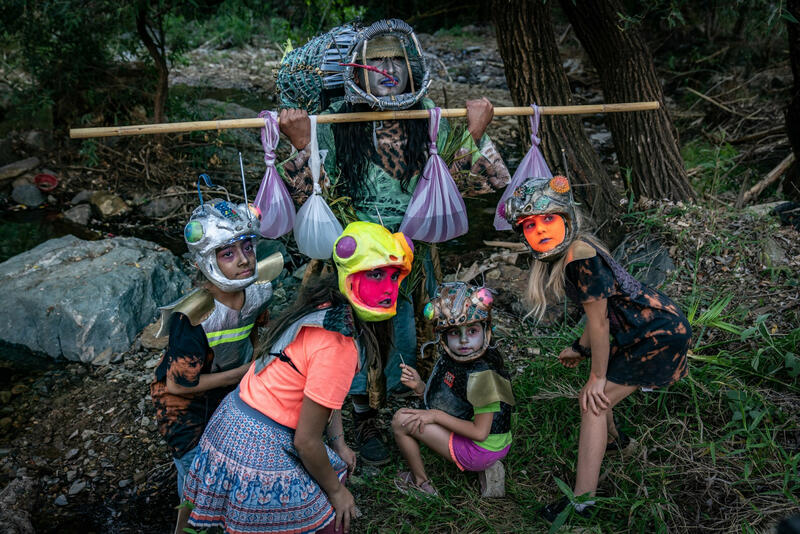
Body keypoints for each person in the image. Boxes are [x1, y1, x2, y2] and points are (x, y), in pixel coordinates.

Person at [278, 18, 511, 465]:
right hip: (354, 256)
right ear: (359, 71)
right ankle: (362, 416)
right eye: (376, 62)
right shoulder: (336, 123)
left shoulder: (428, 120)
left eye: (395, 61)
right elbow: (310, 194)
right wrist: (303, 144)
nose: (386, 70)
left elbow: (461, 183)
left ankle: (412, 409)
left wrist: (473, 134)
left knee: (405, 332)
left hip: (412, 255)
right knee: (354, 335)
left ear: (411, 67)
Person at [178, 221, 414, 534]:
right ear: (348, 274)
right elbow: (305, 441)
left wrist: (339, 443)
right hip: (259, 443)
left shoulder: (322, 305)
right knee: (331, 520)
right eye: (374, 273)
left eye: (394, 275)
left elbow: (324, 397)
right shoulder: (339, 344)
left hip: (230, 423)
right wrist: (337, 492)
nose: (388, 287)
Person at [503, 175, 691, 520]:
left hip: (656, 335)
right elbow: (597, 319)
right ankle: (618, 445)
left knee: (592, 403)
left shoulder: (581, 260)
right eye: (530, 225)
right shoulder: (579, 251)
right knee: (598, 399)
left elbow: (602, 322)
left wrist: (596, 376)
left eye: (548, 219)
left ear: (566, 218)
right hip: (643, 331)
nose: (541, 230)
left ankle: (581, 502)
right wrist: (579, 347)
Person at [150, 198, 282, 530]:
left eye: (248, 248)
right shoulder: (196, 315)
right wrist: (244, 373)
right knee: (196, 472)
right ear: (207, 260)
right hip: (182, 406)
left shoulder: (257, 291)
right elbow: (177, 384)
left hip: (228, 391)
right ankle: (186, 528)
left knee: (233, 458)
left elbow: (258, 331)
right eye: (228, 254)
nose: (244, 260)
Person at [391, 281, 515, 498]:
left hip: (482, 448)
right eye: (455, 333)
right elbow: (456, 401)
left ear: (486, 330)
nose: (464, 340)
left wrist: (434, 415)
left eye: (473, 330)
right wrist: (420, 387)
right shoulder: (464, 360)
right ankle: (489, 468)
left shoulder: (483, 375)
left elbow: (479, 432)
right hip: (492, 444)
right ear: (444, 336)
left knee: (400, 420)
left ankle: (420, 483)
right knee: (417, 418)